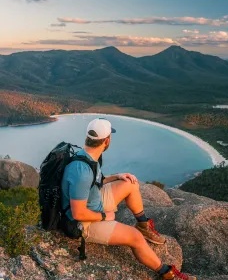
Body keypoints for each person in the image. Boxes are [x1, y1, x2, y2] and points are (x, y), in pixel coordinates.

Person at [61, 118, 196, 280]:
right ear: (107, 140)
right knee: (135, 237)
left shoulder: (86, 156)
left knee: (130, 184)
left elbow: (94, 181)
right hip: (83, 223)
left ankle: (143, 225)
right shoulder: (81, 171)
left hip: (93, 201)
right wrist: (105, 216)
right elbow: (78, 213)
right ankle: (167, 273)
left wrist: (117, 176)